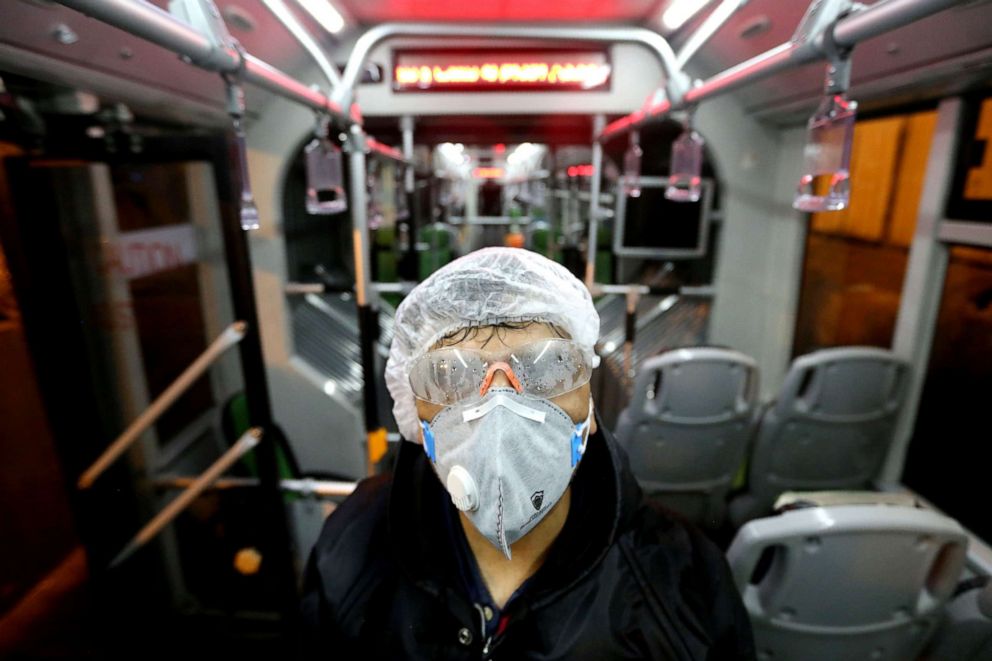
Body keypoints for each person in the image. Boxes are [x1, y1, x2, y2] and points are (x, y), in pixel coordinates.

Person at [300, 247, 755, 659]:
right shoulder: (355, 549)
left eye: (547, 367)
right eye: (452, 376)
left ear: (590, 405)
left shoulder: (681, 582)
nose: (500, 405)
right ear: (413, 411)